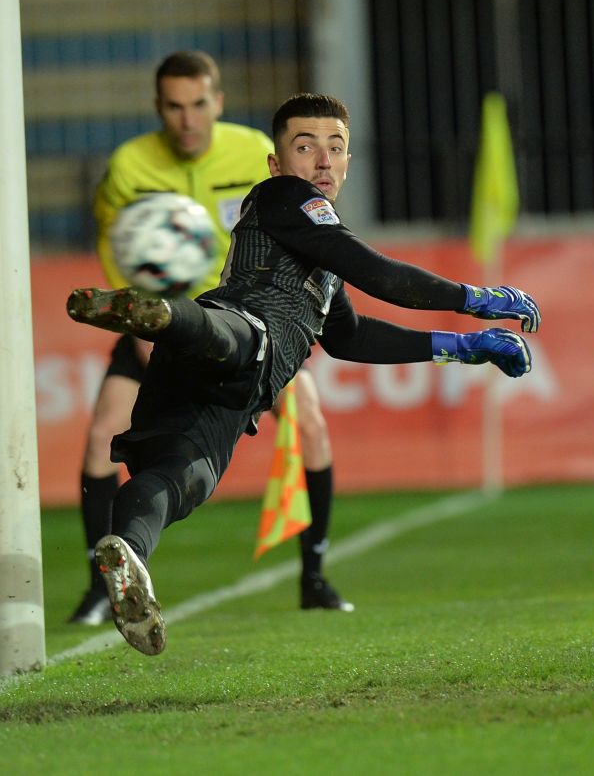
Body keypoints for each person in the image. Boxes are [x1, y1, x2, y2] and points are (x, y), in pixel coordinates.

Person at [66, 92, 540, 655]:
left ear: (348, 161)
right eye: (305, 146)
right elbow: (378, 273)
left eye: (335, 148)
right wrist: (473, 297)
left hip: (224, 394)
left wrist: (462, 348)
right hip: (235, 338)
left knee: (180, 479)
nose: (322, 161)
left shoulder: (321, 257)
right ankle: (165, 313)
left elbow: (350, 337)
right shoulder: (286, 197)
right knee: (238, 334)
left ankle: (128, 557)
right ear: (276, 163)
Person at [69, 52, 350, 626]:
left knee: (311, 425)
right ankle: (104, 584)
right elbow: (114, 246)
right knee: (102, 433)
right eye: (174, 107)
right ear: (158, 109)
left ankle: (314, 575)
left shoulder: (255, 154)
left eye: (198, 104)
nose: (187, 119)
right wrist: (143, 327)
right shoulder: (129, 165)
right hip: (156, 321)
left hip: (252, 325)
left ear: (217, 102)